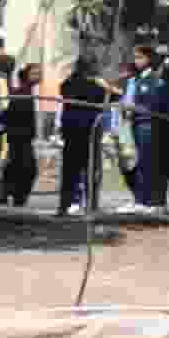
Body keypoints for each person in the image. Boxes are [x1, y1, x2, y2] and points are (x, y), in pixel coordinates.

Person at [123, 45, 169, 216]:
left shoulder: (162, 89)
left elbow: (155, 110)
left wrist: (135, 108)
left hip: (162, 136)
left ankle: (159, 203)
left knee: (161, 170)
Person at [53, 57, 114, 225]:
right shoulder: (95, 87)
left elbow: (63, 87)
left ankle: (63, 207)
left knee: (69, 172)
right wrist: (104, 85)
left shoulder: (67, 85)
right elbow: (115, 96)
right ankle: (92, 207)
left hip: (71, 133)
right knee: (91, 171)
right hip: (90, 134)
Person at [0, 57, 39, 212]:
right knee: (23, 168)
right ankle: (9, 197)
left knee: (19, 168)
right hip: (17, 136)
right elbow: (8, 111)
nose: (39, 75)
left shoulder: (26, 92)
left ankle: (11, 197)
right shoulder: (21, 92)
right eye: (35, 72)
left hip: (21, 136)